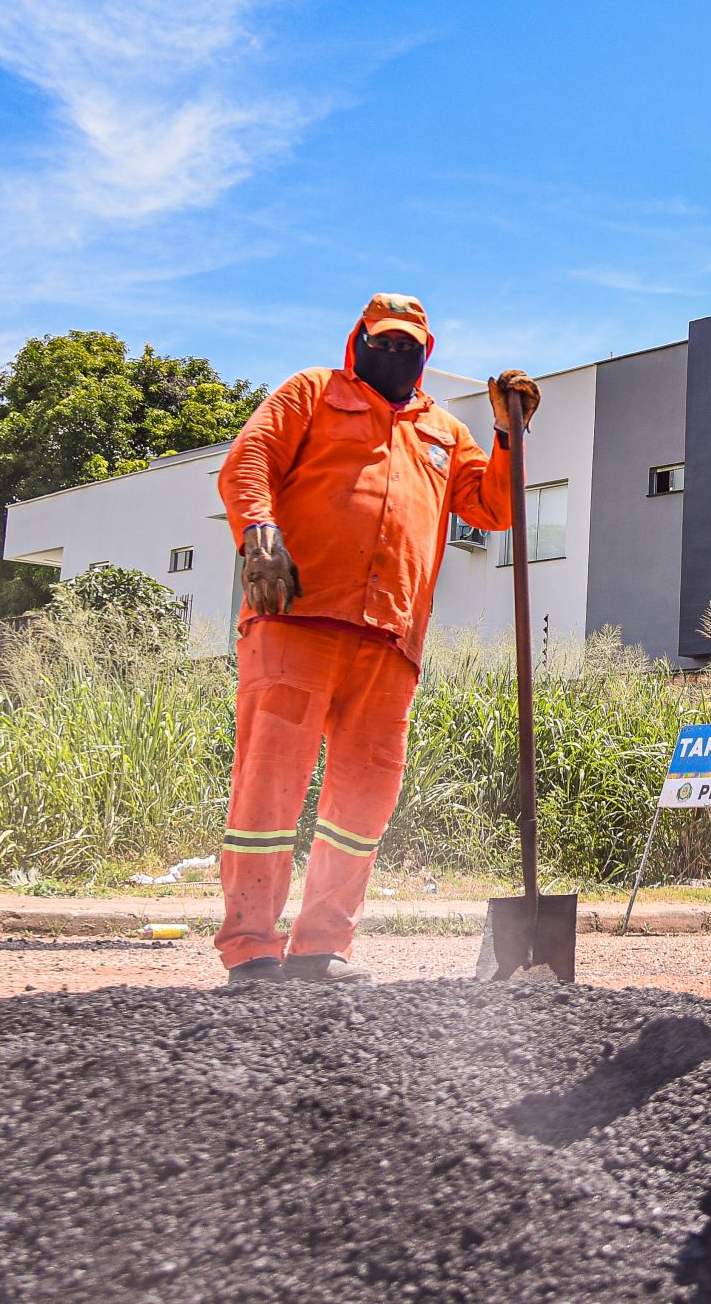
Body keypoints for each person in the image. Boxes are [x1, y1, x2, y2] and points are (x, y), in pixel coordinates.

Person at [212, 292, 541, 984]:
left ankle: (321, 947)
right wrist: (258, 532)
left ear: (426, 355)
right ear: (356, 342)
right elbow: (249, 461)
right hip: (295, 620)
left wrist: (509, 433)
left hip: (390, 638)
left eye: (407, 346)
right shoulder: (312, 392)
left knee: (362, 801)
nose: (392, 354)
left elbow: (494, 506)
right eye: (381, 342)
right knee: (269, 790)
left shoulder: (446, 432)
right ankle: (251, 947)